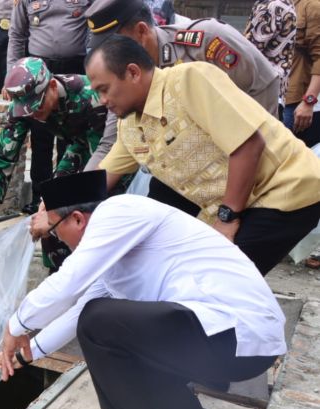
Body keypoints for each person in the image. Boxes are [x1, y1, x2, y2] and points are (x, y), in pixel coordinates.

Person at [0, 170, 286, 409]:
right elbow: (79, 308)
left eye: (56, 231)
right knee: (113, 323)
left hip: (235, 335)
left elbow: (69, 286)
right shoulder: (116, 248)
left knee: (100, 321)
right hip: (237, 345)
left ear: (78, 219)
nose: (59, 240)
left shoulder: (117, 212)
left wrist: (16, 324)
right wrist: (26, 353)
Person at [87, 35, 320, 276]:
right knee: (173, 269)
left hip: (285, 188)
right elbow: (101, 176)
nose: (103, 100)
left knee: (215, 280)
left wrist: (227, 219)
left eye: (105, 89)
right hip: (236, 200)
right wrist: (52, 207)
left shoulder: (188, 80)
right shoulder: (130, 127)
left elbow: (249, 145)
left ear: (133, 72)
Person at [84, 0, 282, 214]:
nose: (106, 56)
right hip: (185, 168)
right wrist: (68, 199)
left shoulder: (204, 42)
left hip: (241, 159)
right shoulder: (120, 81)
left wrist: (260, 160)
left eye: (112, 46)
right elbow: (112, 143)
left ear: (141, 31)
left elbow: (261, 84)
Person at [0, 57, 107, 269]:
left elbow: (100, 165)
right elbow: (4, 154)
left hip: (105, 152)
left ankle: (89, 271)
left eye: (37, 107)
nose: (34, 116)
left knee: (87, 214)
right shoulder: (24, 105)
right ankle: (58, 273)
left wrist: (60, 205)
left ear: (51, 86)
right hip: (77, 145)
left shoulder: (89, 96)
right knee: (49, 213)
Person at [7, 0, 91, 214]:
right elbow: (17, 34)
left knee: (72, 137)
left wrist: (93, 69)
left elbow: (93, 28)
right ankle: (39, 196)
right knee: (40, 137)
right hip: (37, 68)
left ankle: (64, 199)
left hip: (76, 66)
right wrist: (11, 75)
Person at [244, 0, 297, 104]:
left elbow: (248, 51)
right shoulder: (283, 3)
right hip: (274, 89)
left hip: (261, 89)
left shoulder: (273, 6)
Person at [284, 0, 320, 146]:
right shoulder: (273, 3)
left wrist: (308, 102)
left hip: (297, 103)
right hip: (275, 96)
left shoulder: (312, 6)